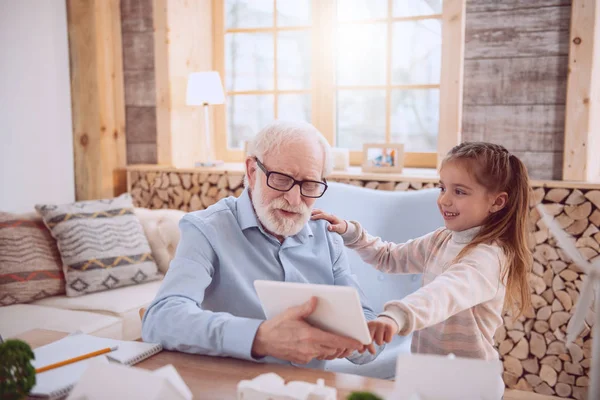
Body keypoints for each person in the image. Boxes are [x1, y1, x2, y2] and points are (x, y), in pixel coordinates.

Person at [142, 120, 381, 368]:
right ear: (252, 172)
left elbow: (369, 336)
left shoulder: (327, 236)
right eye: (281, 179)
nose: (294, 198)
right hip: (232, 387)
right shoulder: (207, 229)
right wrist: (259, 337)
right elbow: (161, 319)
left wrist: (357, 340)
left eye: (309, 185)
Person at [312, 142, 532, 363]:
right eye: (442, 188)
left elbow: (442, 294)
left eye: (459, 191)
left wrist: (397, 316)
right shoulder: (441, 239)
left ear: (497, 202)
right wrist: (351, 233)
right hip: (427, 369)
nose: (444, 200)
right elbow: (389, 257)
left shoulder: (488, 259)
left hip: (468, 381)